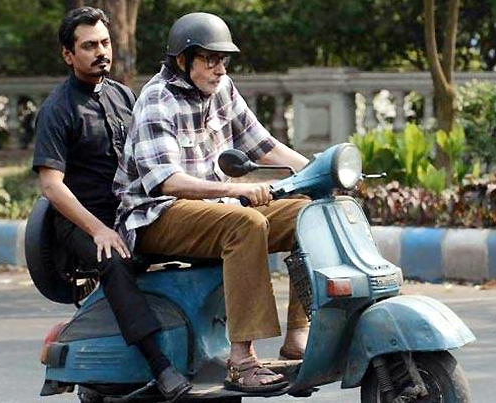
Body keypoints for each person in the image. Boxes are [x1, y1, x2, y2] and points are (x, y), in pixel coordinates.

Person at [113, 12, 310, 393]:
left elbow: (263, 145)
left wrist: (321, 171)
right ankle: (242, 362)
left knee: (307, 213)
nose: (219, 69)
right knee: (246, 224)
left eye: (223, 60)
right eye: (209, 59)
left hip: (213, 209)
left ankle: (298, 335)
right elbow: (166, 182)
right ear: (182, 61)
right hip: (155, 215)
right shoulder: (157, 99)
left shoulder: (223, 89)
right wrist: (237, 191)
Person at [31, 7, 191, 402]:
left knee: (197, 240)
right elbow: (51, 186)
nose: (101, 52)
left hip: (130, 211)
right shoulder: (58, 109)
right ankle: (161, 366)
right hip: (81, 221)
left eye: (104, 43)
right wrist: (99, 229)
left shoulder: (123, 96)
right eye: (89, 46)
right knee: (115, 261)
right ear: (68, 54)